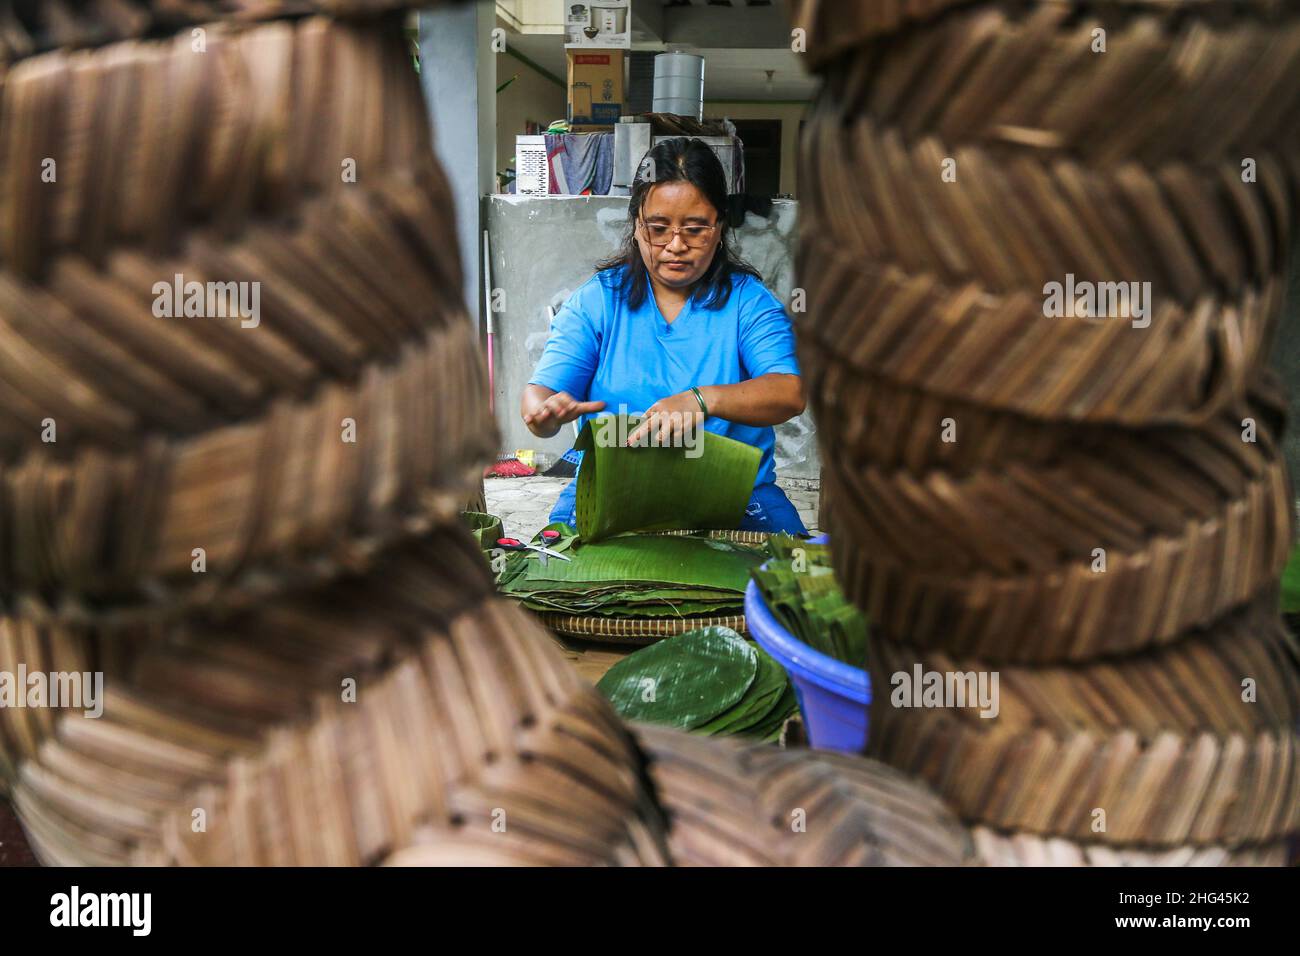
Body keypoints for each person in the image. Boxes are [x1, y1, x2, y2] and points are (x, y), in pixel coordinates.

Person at [520, 137, 807, 534]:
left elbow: (788, 393)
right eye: (659, 228)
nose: (676, 246)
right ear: (637, 225)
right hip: (612, 490)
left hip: (737, 494)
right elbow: (541, 396)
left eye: (695, 229)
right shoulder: (598, 301)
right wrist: (543, 416)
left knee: (788, 586)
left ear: (719, 227)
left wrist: (701, 401)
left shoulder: (749, 304)